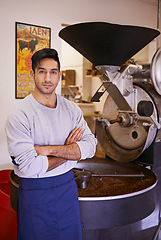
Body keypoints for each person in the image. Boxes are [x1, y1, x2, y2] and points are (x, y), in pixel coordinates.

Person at [5, 48, 97, 240]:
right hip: (35, 194)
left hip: (67, 189)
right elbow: (30, 167)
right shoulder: (20, 115)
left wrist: (48, 150)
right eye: (42, 71)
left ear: (59, 75)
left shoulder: (71, 110)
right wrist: (69, 150)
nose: (48, 77)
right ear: (32, 74)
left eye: (53, 72)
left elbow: (90, 146)